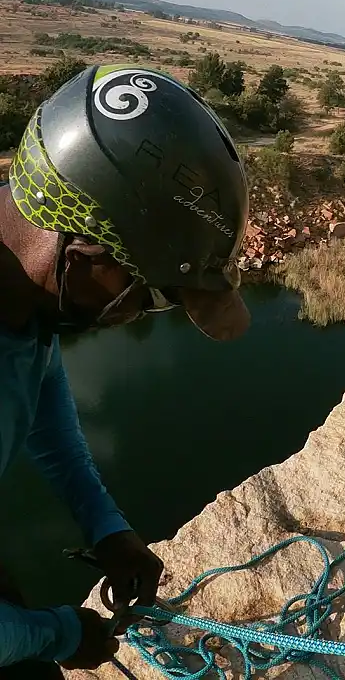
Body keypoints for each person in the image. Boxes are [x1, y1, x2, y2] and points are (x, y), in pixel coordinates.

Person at [0, 65, 251, 678]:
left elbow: (49, 431)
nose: (135, 317)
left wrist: (108, 528)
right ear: (86, 254)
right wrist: (61, 635)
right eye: (150, 296)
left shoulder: (27, 305)